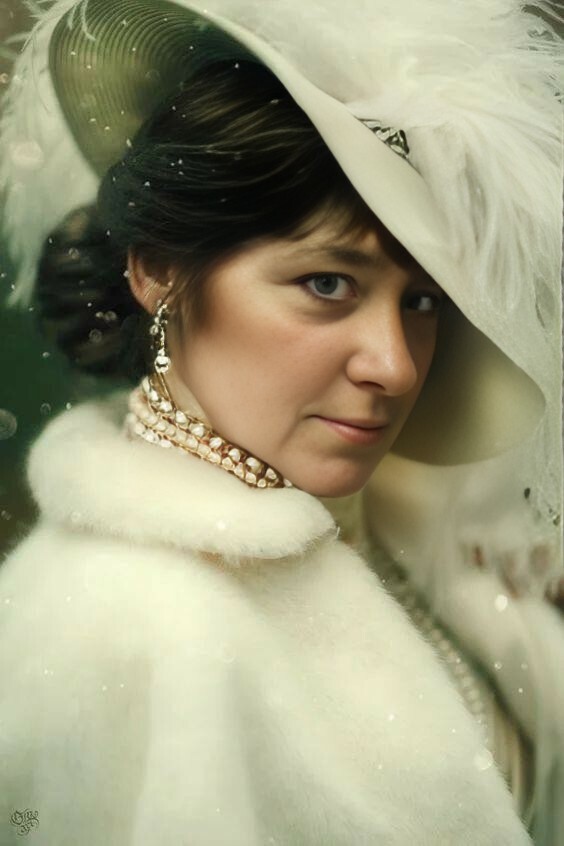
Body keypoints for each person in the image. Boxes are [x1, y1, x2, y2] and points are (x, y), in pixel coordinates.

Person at [0, 0, 562, 843]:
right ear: (158, 271)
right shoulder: (127, 625)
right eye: (327, 284)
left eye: (422, 301)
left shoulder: (418, 551)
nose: (397, 365)